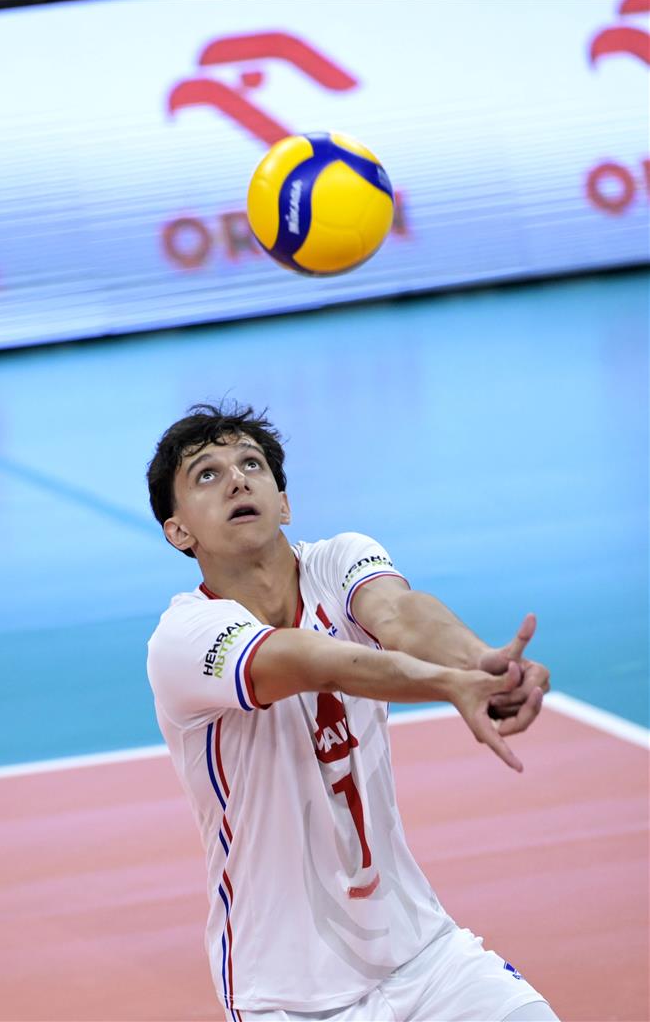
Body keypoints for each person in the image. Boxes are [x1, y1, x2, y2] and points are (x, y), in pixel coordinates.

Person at [146, 402, 559, 1022]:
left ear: (284, 503)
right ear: (179, 532)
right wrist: (450, 685)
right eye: (207, 474)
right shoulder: (184, 639)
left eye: (251, 464)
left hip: (423, 953)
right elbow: (316, 661)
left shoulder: (339, 559)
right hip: (288, 994)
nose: (236, 480)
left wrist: (482, 664)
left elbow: (400, 616)